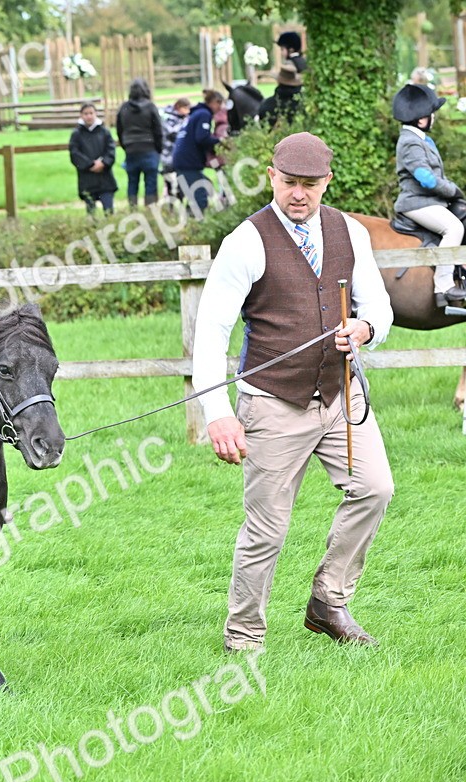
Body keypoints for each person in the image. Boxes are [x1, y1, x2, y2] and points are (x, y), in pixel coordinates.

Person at [192, 132, 395, 652]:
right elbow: (211, 331)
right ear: (271, 177)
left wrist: (366, 328)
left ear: (327, 182)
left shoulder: (350, 232)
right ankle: (244, 638)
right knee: (267, 528)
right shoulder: (245, 242)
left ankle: (329, 600)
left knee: (375, 488)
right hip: (271, 403)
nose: (298, 193)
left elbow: (379, 307)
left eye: (309, 184)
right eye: (288, 182)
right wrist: (217, 412)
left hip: (340, 395)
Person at [392, 83, 466, 307]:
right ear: (422, 119)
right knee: (454, 228)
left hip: (430, 201)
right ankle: (443, 285)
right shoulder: (410, 142)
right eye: (432, 114)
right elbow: (426, 179)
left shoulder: (420, 139)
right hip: (416, 203)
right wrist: (453, 190)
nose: (434, 117)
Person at [172, 89, 224, 218]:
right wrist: (220, 141)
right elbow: (202, 138)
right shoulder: (204, 114)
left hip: (182, 160)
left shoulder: (197, 113)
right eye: (220, 104)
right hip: (188, 162)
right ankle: (194, 224)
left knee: (203, 189)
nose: (220, 108)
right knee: (200, 197)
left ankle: (188, 220)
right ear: (214, 102)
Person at [116, 78, 164, 207]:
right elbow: (158, 130)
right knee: (151, 182)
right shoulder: (150, 107)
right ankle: (150, 208)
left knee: (132, 182)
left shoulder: (124, 108)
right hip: (149, 148)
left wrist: (125, 145)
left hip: (131, 149)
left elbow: (119, 130)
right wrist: (159, 148)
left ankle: (133, 208)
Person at [69, 103, 118, 216]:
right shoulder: (76, 134)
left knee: (109, 212)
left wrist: (103, 163)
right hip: (87, 179)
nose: (89, 116)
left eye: (91, 113)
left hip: (105, 179)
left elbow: (111, 150)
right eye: (86, 114)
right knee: (91, 214)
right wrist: (90, 164)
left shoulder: (104, 132)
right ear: (81, 115)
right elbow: (75, 153)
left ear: (95, 114)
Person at [260, 32, 305, 126]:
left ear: (291, 49)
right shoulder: (302, 61)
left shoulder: (291, 63)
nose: (281, 53)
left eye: (282, 49)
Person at [160, 97, 191, 201]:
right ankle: (170, 202)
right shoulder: (168, 117)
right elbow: (171, 133)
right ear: (178, 107)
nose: (187, 111)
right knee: (169, 180)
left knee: (181, 180)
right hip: (167, 153)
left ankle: (180, 199)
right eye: (185, 108)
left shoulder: (184, 118)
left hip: (180, 155)